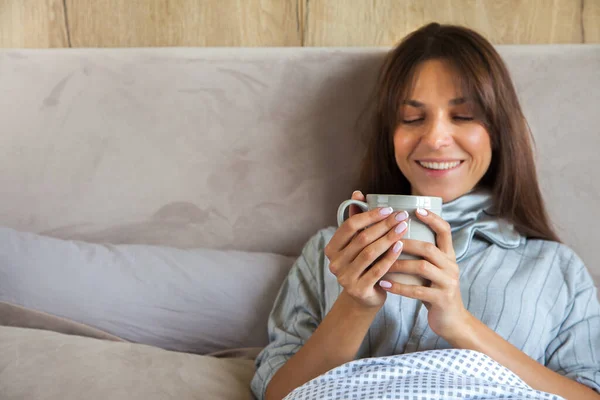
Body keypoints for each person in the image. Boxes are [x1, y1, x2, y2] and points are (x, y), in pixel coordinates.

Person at [251, 22, 600, 400]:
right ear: (391, 136)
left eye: (463, 116)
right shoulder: (329, 253)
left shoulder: (555, 268)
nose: (435, 139)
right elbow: (276, 393)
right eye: (413, 118)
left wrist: (459, 325)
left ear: (498, 130)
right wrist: (354, 306)